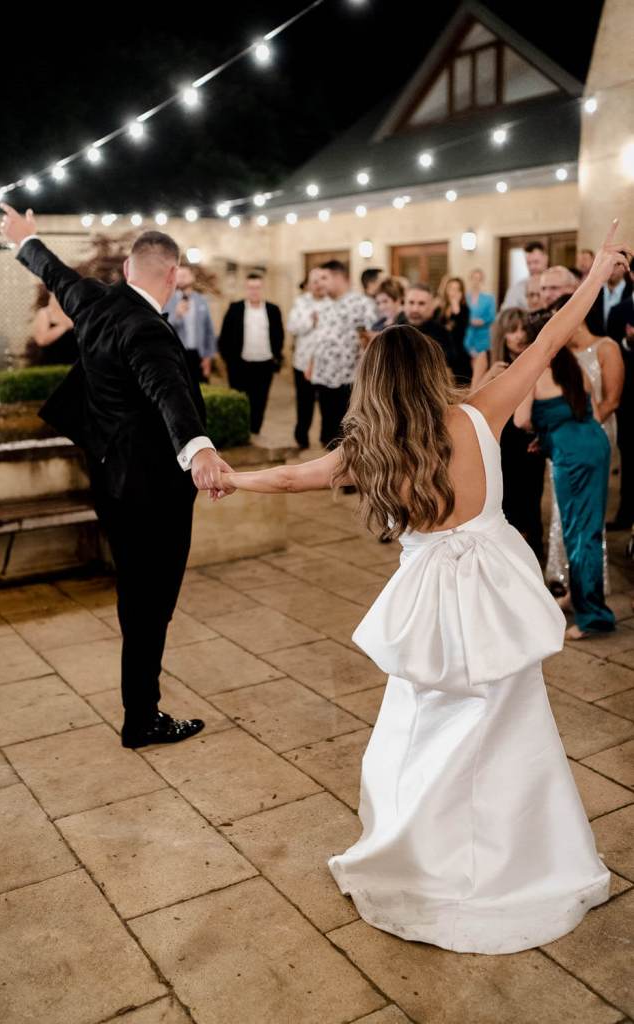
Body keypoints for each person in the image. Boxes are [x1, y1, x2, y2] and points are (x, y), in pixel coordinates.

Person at [205, 222, 629, 954]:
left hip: (431, 600)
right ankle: (523, 856)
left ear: (374, 386)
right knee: (512, 722)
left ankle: (425, 853)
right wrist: (597, 274)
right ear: (431, 369)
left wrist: (228, 476)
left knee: (421, 725)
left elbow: (288, 475)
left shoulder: (370, 449)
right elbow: (551, 333)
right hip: (497, 588)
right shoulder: (480, 410)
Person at [0, 203, 232, 750]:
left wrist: (26, 240)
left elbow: (59, 277)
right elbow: (168, 392)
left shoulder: (96, 304)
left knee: (137, 597)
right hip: (153, 492)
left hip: (109, 479)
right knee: (154, 602)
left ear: (128, 270)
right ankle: (143, 718)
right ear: (172, 275)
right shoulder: (147, 330)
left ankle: (140, 709)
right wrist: (199, 450)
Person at [515, 335, 617, 639]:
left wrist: (543, 431)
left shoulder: (535, 372)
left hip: (572, 455)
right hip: (594, 445)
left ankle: (594, 618)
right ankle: (578, 596)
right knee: (588, 528)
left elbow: (521, 420)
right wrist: (548, 436)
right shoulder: (573, 367)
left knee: (579, 533)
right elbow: (590, 412)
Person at [478, 308, 545, 560]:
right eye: (512, 330)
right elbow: (467, 401)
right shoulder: (487, 358)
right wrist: (488, 377)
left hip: (528, 440)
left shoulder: (536, 360)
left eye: (523, 330)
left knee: (531, 501)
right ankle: (504, 558)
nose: (518, 336)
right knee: (501, 501)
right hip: (497, 440)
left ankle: (533, 557)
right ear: (501, 334)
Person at [310, 260, 374, 448]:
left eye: (325, 277)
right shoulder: (324, 305)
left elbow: (371, 338)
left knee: (346, 432)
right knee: (328, 431)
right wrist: (312, 364)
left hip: (348, 378)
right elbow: (319, 337)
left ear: (338, 277)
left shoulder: (362, 304)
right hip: (324, 376)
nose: (320, 283)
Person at [218, 273, 284, 436]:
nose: (254, 291)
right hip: (240, 364)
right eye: (251, 288)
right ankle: (240, 433)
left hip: (265, 363)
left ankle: (255, 431)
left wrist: (276, 356)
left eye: (257, 288)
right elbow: (224, 336)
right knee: (240, 400)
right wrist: (229, 361)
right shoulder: (235, 308)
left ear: (263, 289)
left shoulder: (273, 309)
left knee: (260, 400)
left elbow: (279, 335)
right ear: (246, 289)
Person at [287, 267, 331, 448]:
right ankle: (301, 436)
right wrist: (310, 321)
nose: (319, 284)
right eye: (315, 281)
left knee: (328, 403)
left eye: (322, 279)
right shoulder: (301, 302)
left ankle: (327, 436)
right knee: (304, 402)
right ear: (308, 285)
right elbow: (292, 326)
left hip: (329, 363)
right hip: (303, 362)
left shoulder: (334, 302)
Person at [606, 286, 634, 529]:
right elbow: (610, 348)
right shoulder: (619, 311)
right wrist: (628, 341)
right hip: (628, 395)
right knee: (628, 453)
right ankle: (626, 513)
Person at [403, 283, 468, 384]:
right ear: (404, 304)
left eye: (421, 304)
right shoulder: (393, 330)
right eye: (411, 303)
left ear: (432, 307)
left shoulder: (443, 334)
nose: (415, 309)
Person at [163, 263, 216, 384]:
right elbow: (163, 328)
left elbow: (209, 330)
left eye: (184, 275)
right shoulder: (167, 300)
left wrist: (208, 357)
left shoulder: (201, 300)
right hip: (177, 356)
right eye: (178, 275)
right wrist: (176, 315)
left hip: (198, 355)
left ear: (192, 277)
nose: (181, 279)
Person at [586, 254, 633, 336]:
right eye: (607, 264)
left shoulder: (631, 293)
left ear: (625, 267)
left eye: (617, 265)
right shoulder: (593, 293)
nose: (612, 269)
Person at [463, 268, 495, 388]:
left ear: (482, 281)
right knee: (468, 364)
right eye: (474, 279)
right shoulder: (465, 298)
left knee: (480, 365)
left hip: (483, 335)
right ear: (470, 280)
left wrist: (482, 321)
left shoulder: (489, 298)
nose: (476, 282)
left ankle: (477, 388)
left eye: (479, 279)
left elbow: (492, 316)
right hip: (468, 334)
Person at [436, 276, 471, 383]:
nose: (454, 292)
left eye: (457, 289)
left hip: (458, 353)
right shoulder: (439, 308)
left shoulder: (464, 309)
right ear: (446, 289)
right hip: (441, 352)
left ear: (461, 292)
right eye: (451, 288)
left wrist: (456, 308)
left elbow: (461, 331)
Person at [29, 290, 79, 365]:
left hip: (74, 363)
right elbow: (41, 340)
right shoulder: (45, 313)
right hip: (51, 363)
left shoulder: (75, 313)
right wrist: (63, 327)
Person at [501, 240, 548, 310]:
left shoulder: (558, 284)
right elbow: (507, 314)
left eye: (536, 262)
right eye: (529, 263)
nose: (532, 267)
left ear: (546, 259)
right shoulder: (517, 288)